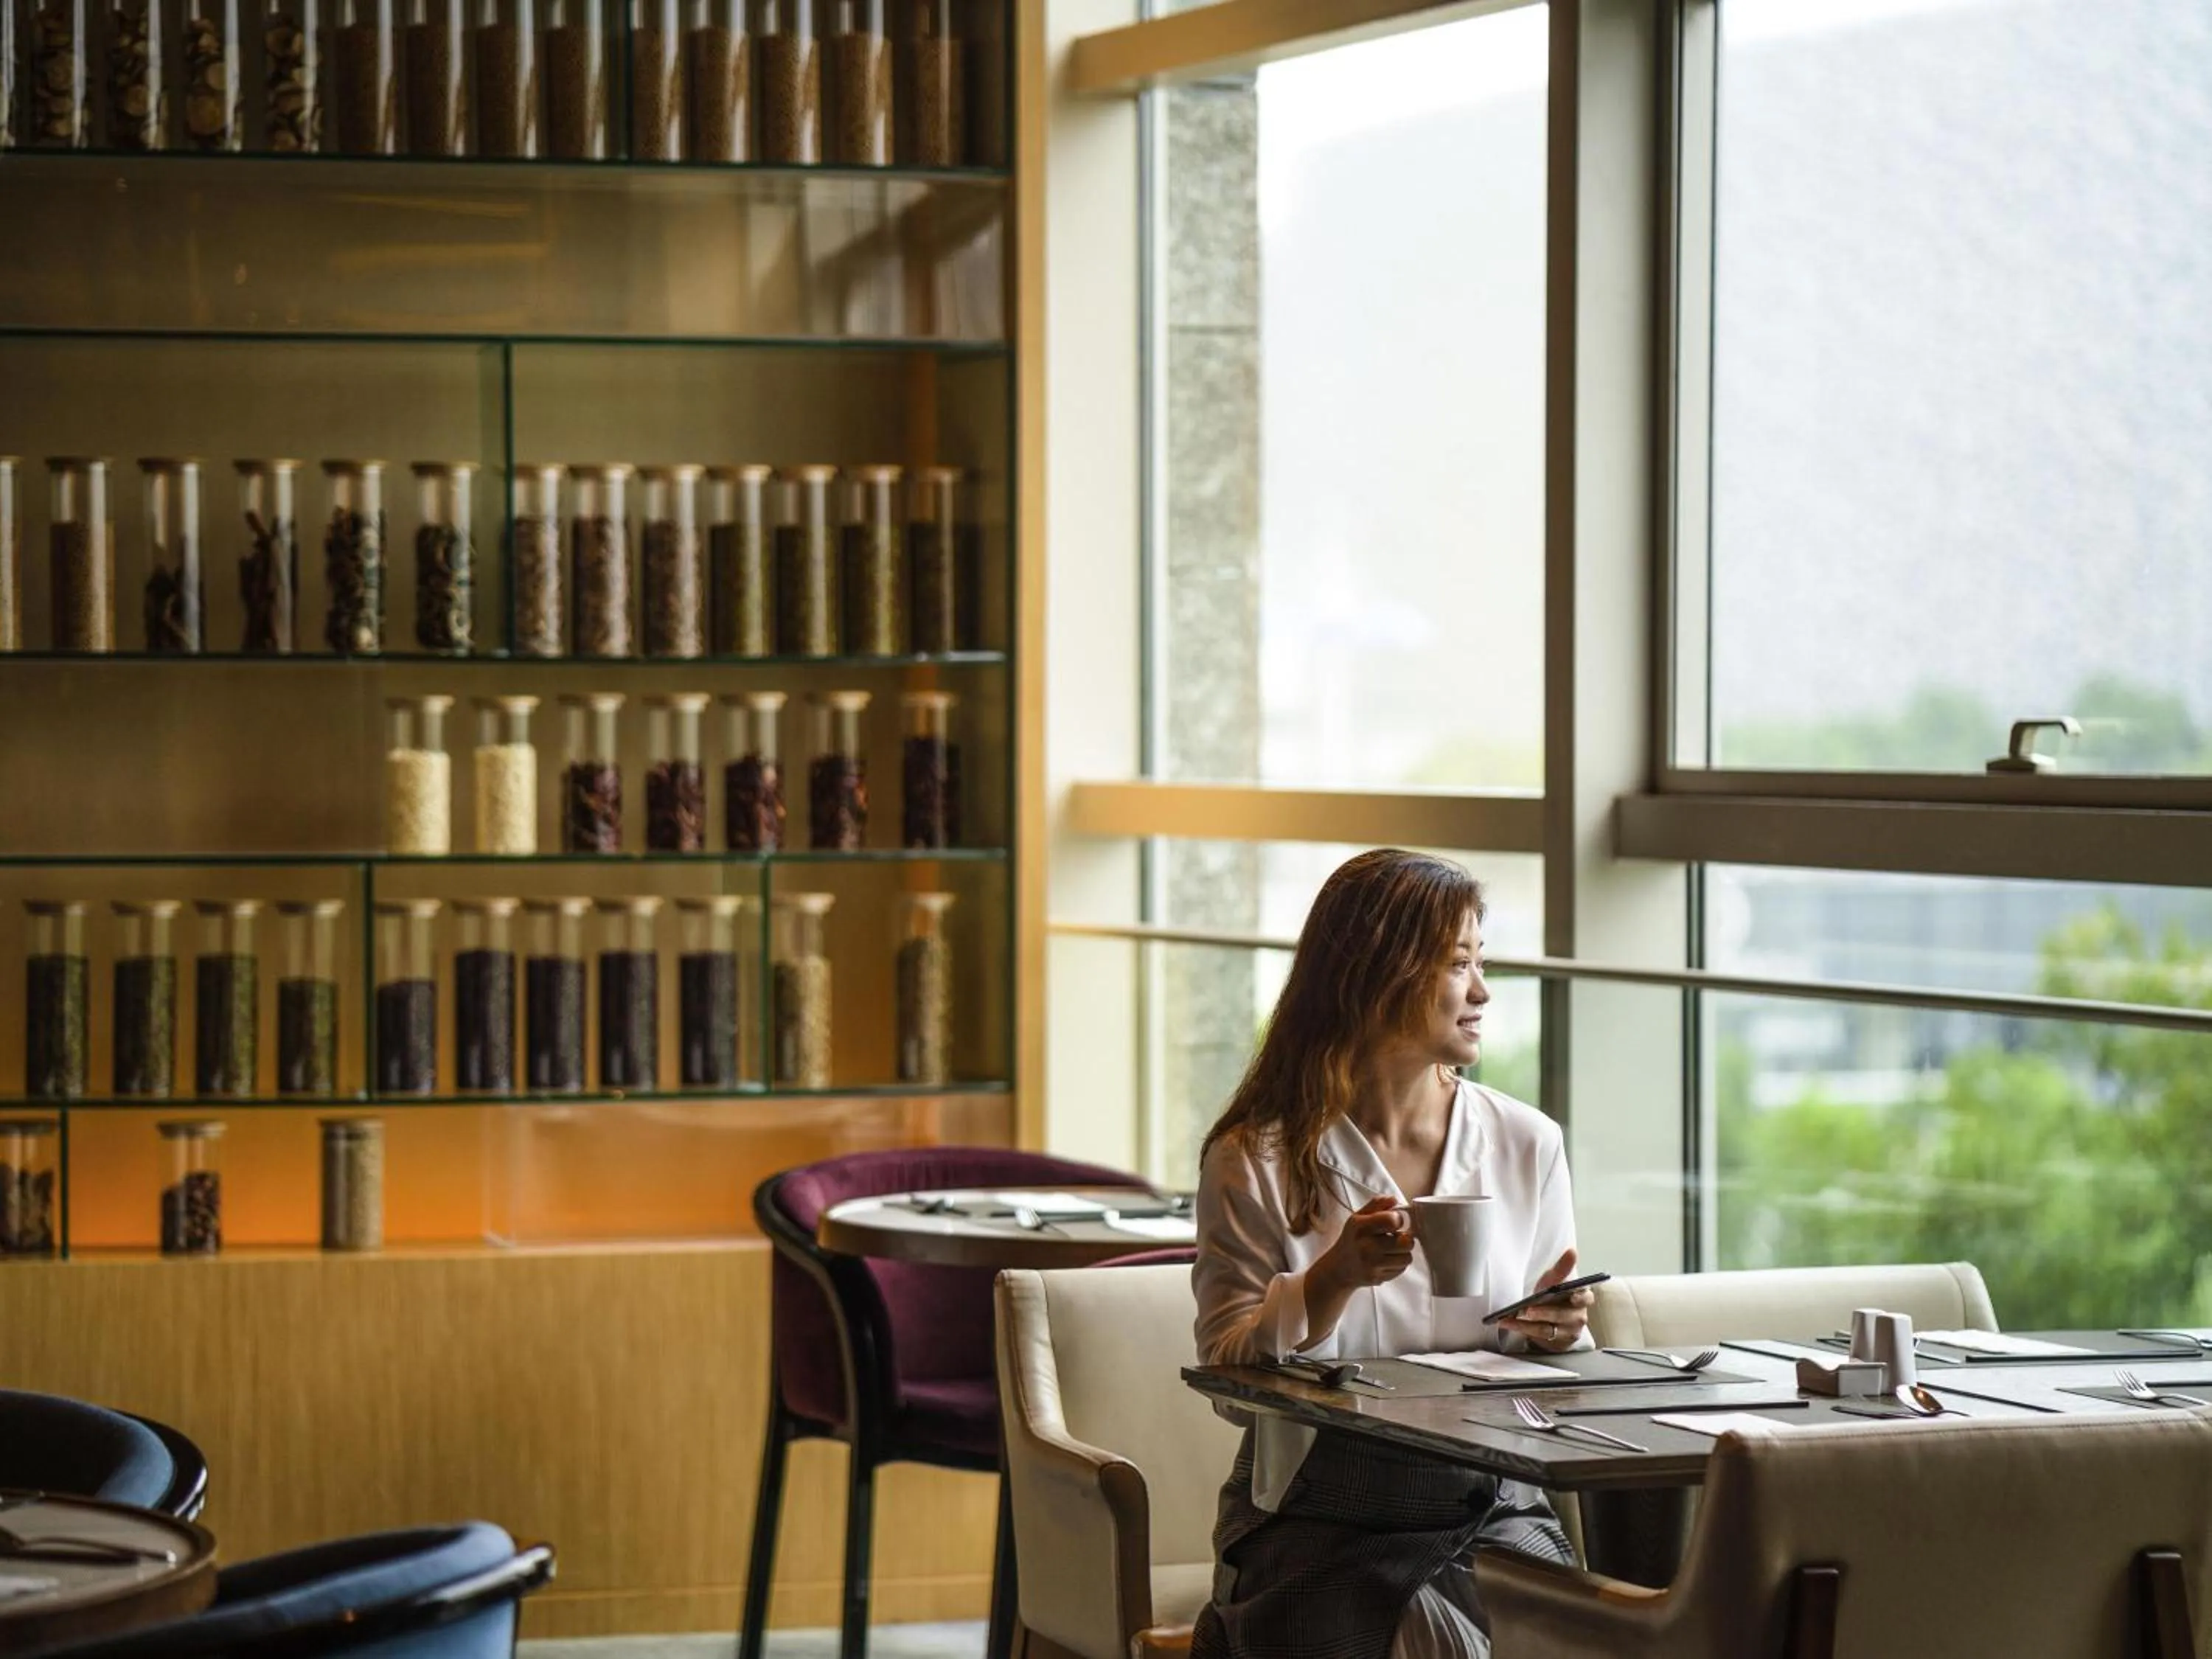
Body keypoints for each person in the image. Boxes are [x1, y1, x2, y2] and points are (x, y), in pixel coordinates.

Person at [1191, 849, 1593, 1659]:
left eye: (1482, 962)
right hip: (1317, 1516)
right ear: (1376, 976)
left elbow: (1559, 1378)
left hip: (1493, 1507)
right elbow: (1229, 1382)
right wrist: (1329, 1281)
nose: (1482, 992)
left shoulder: (1526, 1143)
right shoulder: (1256, 1157)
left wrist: (1558, 1334)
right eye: (1457, 965)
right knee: (1429, 1641)